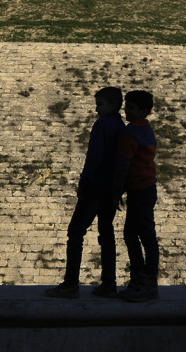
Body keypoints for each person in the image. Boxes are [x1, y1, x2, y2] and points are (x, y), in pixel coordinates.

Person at [46, 86, 126, 298]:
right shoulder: (120, 126)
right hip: (110, 191)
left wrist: (84, 183)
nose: (97, 109)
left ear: (113, 105)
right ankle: (109, 283)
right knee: (106, 234)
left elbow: (94, 158)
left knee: (75, 232)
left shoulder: (102, 125)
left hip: (94, 188)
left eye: (100, 104)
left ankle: (71, 283)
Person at [112, 90, 160, 302]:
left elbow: (122, 165)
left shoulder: (129, 133)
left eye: (131, 108)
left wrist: (116, 191)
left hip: (138, 190)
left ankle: (142, 281)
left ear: (144, 111)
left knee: (134, 235)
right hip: (147, 188)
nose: (126, 111)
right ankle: (145, 281)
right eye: (126, 107)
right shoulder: (147, 130)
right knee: (145, 235)